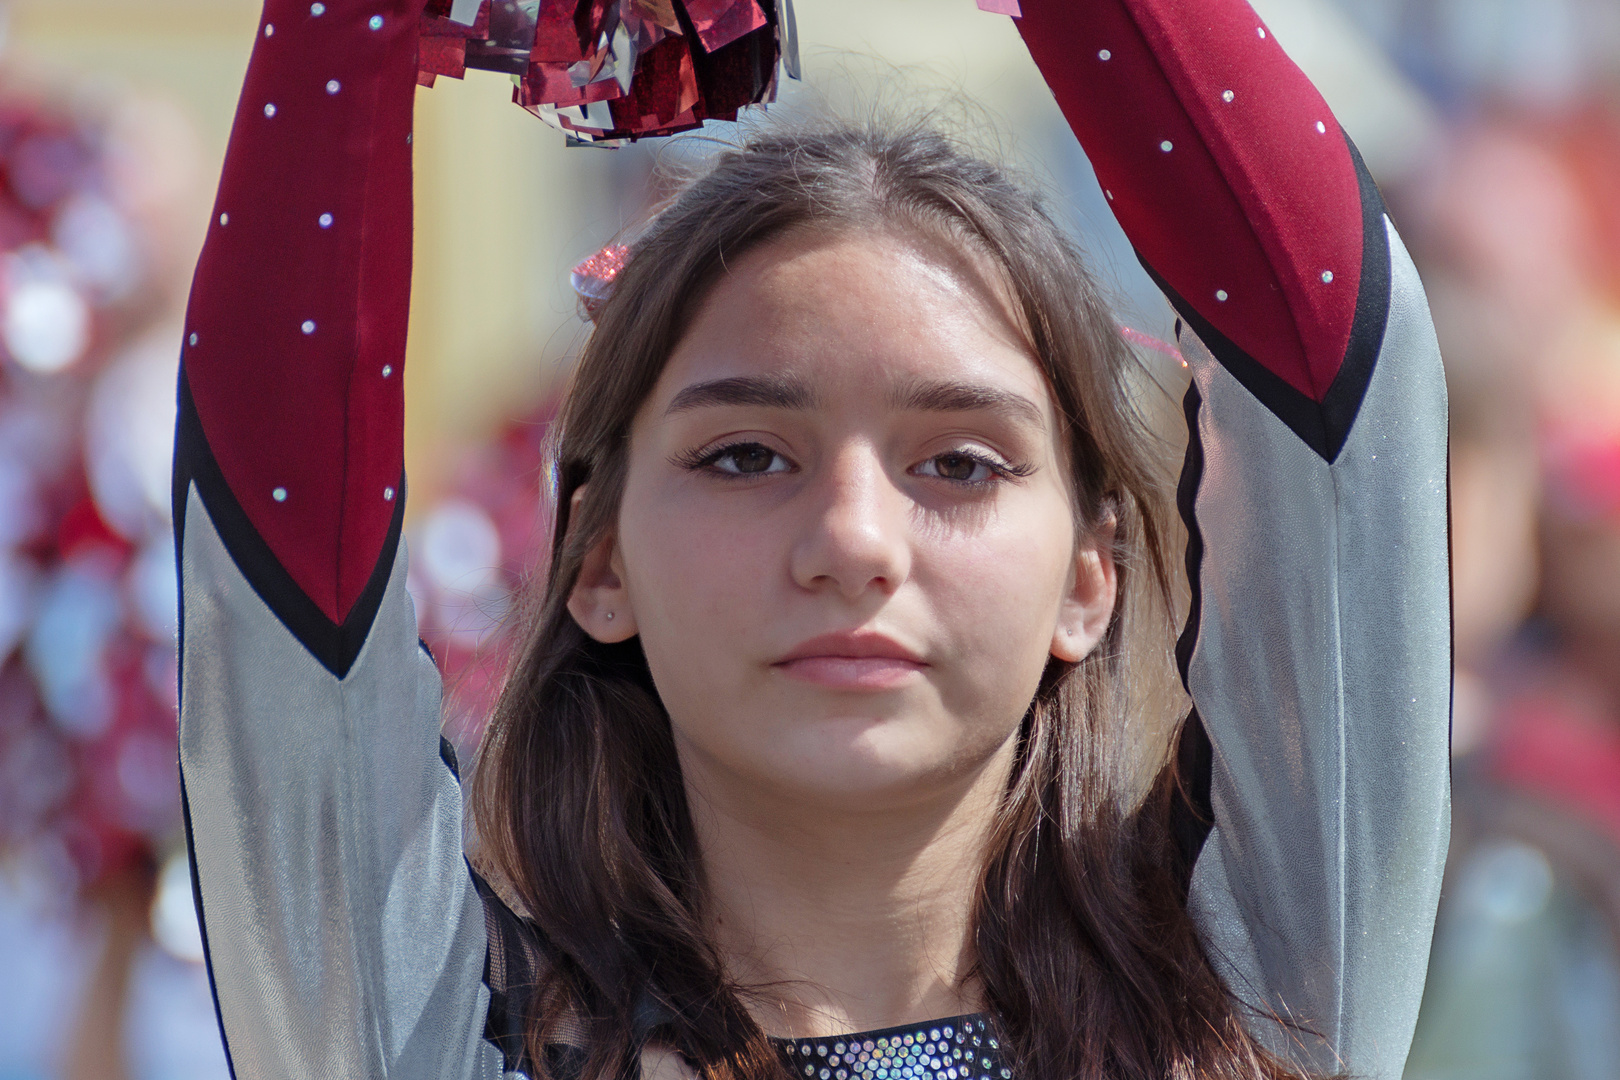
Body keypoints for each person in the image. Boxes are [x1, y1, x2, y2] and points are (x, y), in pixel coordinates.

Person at [171, 1, 1451, 1078]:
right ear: (598, 560)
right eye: (745, 457)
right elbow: (277, 519)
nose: (850, 539)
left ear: (1088, 575)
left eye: (958, 462)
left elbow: (1339, 380)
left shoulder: (1261, 987)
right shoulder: (437, 1037)